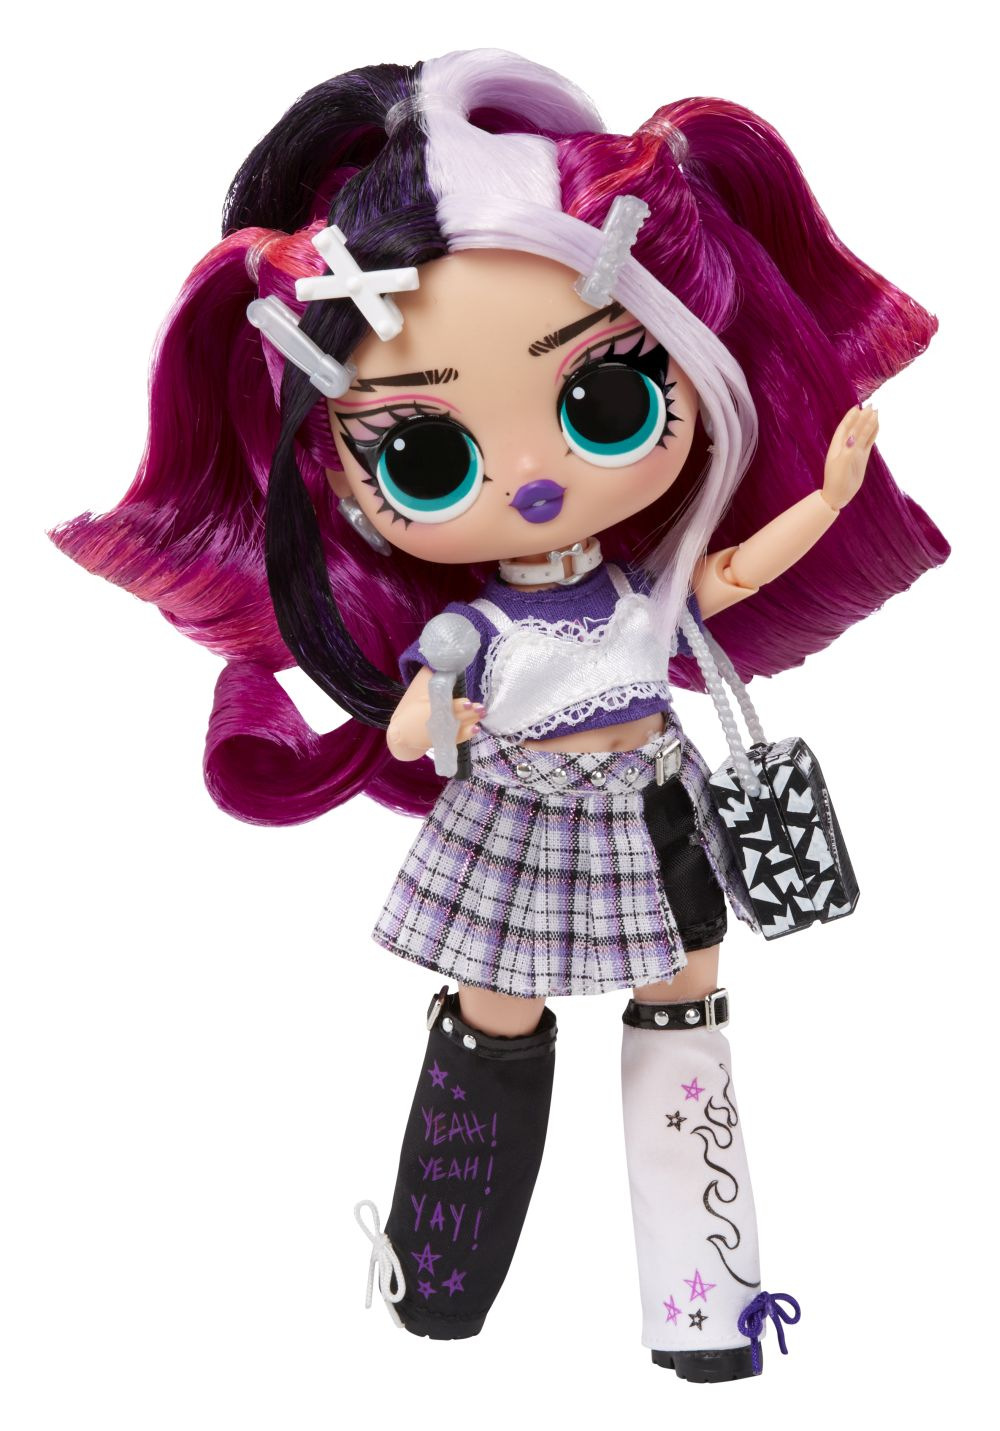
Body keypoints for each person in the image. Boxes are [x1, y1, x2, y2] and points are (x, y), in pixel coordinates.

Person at [50, 48, 948, 1381]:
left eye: (602, 400)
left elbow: (731, 578)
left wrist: (826, 494)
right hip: (522, 823)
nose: (533, 479)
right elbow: (418, 723)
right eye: (427, 454)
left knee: (686, 1012)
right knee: (499, 1017)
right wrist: (428, 720)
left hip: (655, 804)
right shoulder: (471, 629)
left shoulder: (638, 590)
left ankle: (708, 1303)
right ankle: (440, 1274)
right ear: (341, 476)